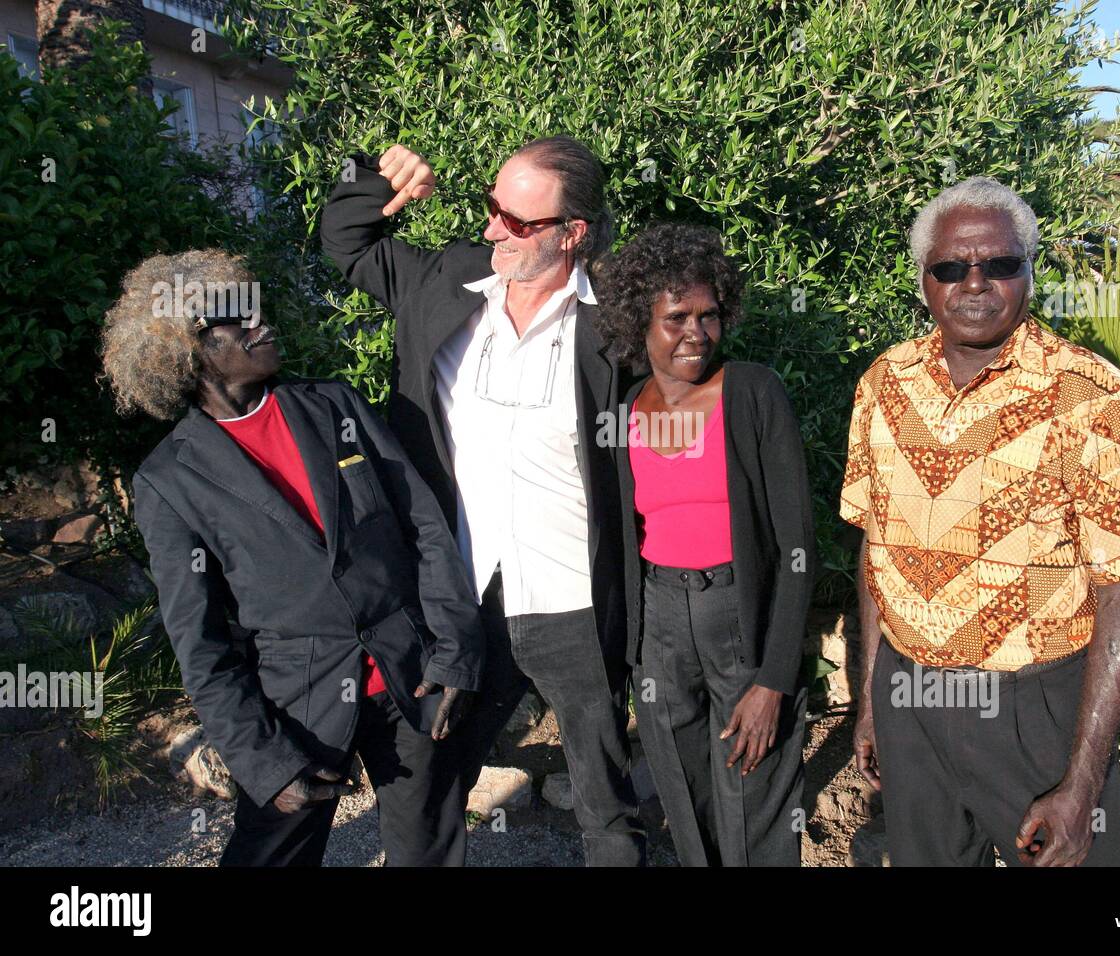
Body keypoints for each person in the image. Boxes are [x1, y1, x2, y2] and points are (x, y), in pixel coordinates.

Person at [840, 177, 1120, 866]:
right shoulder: (884, 383)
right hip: (910, 699)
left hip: (1034, 710)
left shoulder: (1088, 392)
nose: (974, 283)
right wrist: (872, 699)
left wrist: (1084, 781)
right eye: (951, 267)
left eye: (999, 264)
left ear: (1030, 270)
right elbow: (875, 547)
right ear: (925, 280)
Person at [320, 137, 645, 866]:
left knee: (605, 801)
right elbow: (346, 241)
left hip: (575, 601)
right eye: (492, 208)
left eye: (519, 221)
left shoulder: (621, 324)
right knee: (432, 783)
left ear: (575, 232)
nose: (495, 227)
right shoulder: (448, 279)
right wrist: (376, 179)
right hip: (459, 599)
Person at [104, 249, 485, 866]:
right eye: (240, 321)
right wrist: (265, 763)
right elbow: (200, 642)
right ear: (187, 348)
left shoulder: (337, 408)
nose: (263, 325)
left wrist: (456, 652)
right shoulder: (170, 479)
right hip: (299, 705)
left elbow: (426, 527)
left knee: (431, 853)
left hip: (410, 677)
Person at [593, 223, 814, 866]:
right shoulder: (628, 409)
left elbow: (798, 546)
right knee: (684, 796)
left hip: (738, 616)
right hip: (659, 623)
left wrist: (773, 681)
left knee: (755, 786)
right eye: (676, 318)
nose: (696, 332)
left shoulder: (752, 393)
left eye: (709, 316)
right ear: (641, 322)